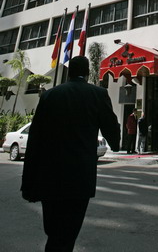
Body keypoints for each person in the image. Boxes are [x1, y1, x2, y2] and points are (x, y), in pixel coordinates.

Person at [21, 55, 120, 252]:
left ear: (69, 72)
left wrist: (28, 182)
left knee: (54, 231)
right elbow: (113, 135)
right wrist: (115, 140)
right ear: (87, 72)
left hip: (49, 177)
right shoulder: (98, 94)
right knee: (67, 234)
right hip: (79, 179)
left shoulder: (50, 95)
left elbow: (35, 140)